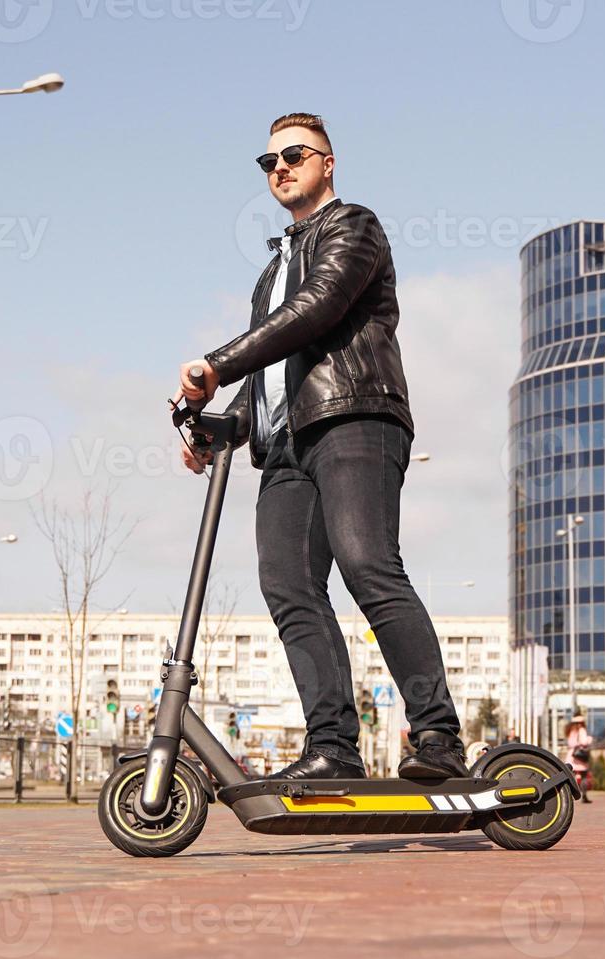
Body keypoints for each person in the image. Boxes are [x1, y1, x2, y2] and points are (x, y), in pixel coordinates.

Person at [176, 113, 464, 781]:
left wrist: (216, 362)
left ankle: (440, 737)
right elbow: (271, 378)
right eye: (268, 161)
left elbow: (321, 308)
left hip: (354, 418)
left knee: (368, 565)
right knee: (289, 587)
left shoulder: (353, 227)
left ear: (327, 163)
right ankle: (332, 747)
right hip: (285, 449)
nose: (279, 167)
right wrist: (219, 426)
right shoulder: (269, 274)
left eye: (294, 154)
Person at [563, 715, 592, 802]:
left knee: (572, 776)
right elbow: (584, 742)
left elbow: (570, 743)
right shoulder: (581, 730)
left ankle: (570, 794)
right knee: (584, 777)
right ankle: (584, 795)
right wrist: (589, 739)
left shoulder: (571, 731)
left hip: (572, 755)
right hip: (580, 757)